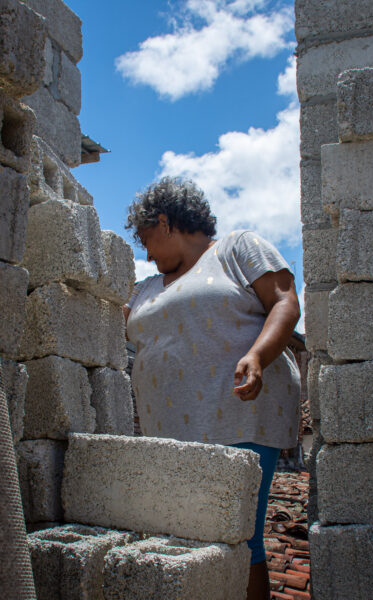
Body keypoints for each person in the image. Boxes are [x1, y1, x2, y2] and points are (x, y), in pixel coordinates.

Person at [123, 176, 301, 600]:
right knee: (189, 541)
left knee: (237, 536)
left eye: (147, 240)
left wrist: (257, 356)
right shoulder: (145, 287)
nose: (145, 253)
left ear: (164, 222)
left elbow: (285, 302)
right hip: (169, 434)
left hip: (238, 415)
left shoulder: (235, 249)